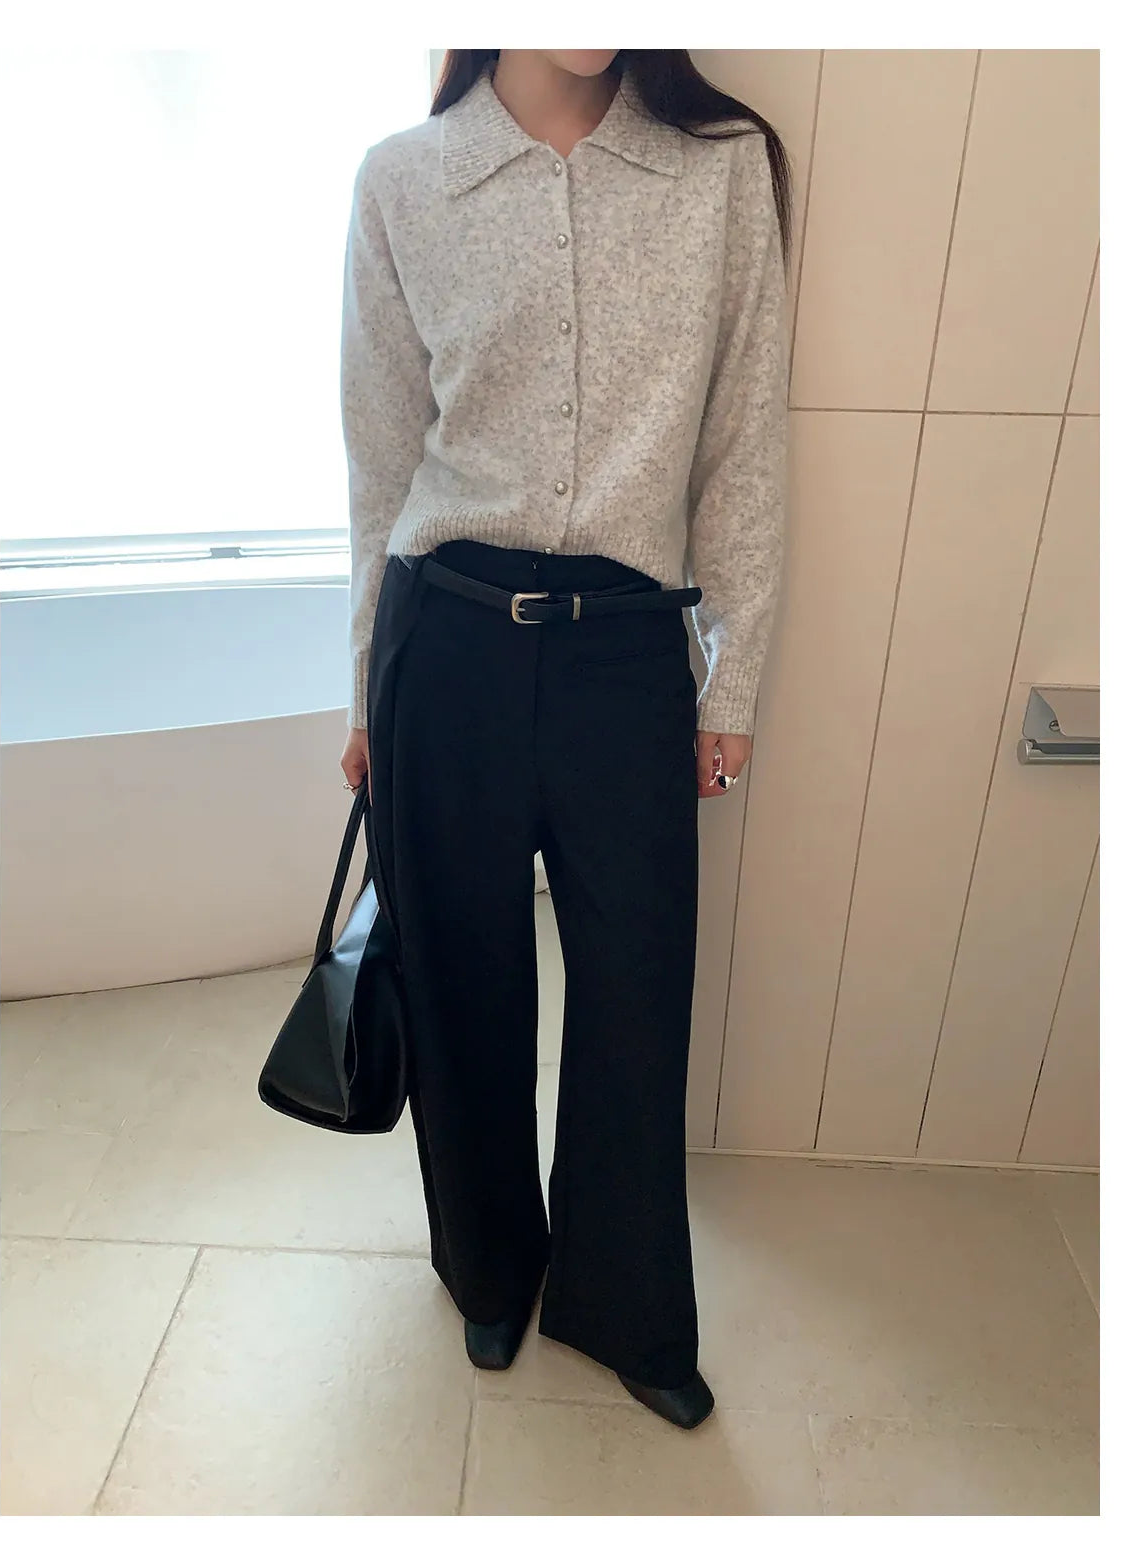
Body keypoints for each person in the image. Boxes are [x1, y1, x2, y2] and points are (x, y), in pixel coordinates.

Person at [338, 48, 790, 1431]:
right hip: (446, 648)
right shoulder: (405, 181)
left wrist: (730, 685)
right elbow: (379, 460)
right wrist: (363, 695)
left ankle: (627, 1299)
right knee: (461, 980)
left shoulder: (718, 172)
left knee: (638, 994)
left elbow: (745, 438)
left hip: (625, 654)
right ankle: (488, 1262)